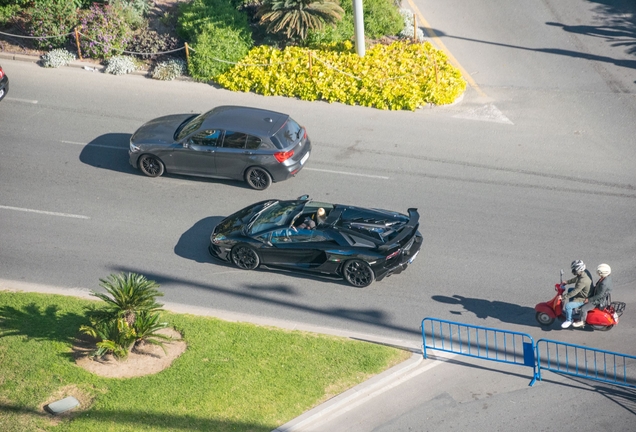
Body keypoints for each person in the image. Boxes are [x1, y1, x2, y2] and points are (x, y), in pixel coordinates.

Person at [573, 263, 613, 328]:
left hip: (597, 301)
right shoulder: (607, 278)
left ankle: (582, 321)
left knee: (583, 309)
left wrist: (589, 299)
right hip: (597, 295)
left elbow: (599, 295)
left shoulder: (604, 283)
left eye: (599, 272)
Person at [560, 260, 594, 328]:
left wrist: (563, 297)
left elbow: (575, 291)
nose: (573, 271)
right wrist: (567, 282)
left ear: (578, 270)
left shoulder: (583, 281)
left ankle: (569, 320)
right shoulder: (584, 272)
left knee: (568, 306)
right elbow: (577, 278)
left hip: (583, 298)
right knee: (570, 290)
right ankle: (573, 311)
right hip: (587, 292)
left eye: (574, 270)